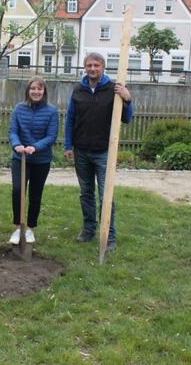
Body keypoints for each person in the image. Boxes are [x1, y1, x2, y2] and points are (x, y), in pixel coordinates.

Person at [64, 52, 133, 252]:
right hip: (82, 151)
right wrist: (68, 146)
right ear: (85, 68)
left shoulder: (114, 89)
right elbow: (70, 119)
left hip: (104, 152)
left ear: (103, 67)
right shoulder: (78, 90)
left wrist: (127, 100)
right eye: (89, 65)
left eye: (96, 65)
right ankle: (88, 229)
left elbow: (126, 118)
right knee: (86, 194)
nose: (92, 69)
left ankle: (109, 236)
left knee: (106, 196)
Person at [8, 76, 59, 245]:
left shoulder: (51, 111)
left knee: (35, 194)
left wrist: (35, 147)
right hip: (20, 157)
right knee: (17, 191)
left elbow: (51, 136)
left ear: (44, 91)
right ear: (28, 91)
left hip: (41, 160)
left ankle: (30, 228)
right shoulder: (19, 109)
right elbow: (13, 131)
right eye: (33, 89)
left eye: (39, 89)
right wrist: (17, 145)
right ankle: (17, 228)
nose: (36, 92)